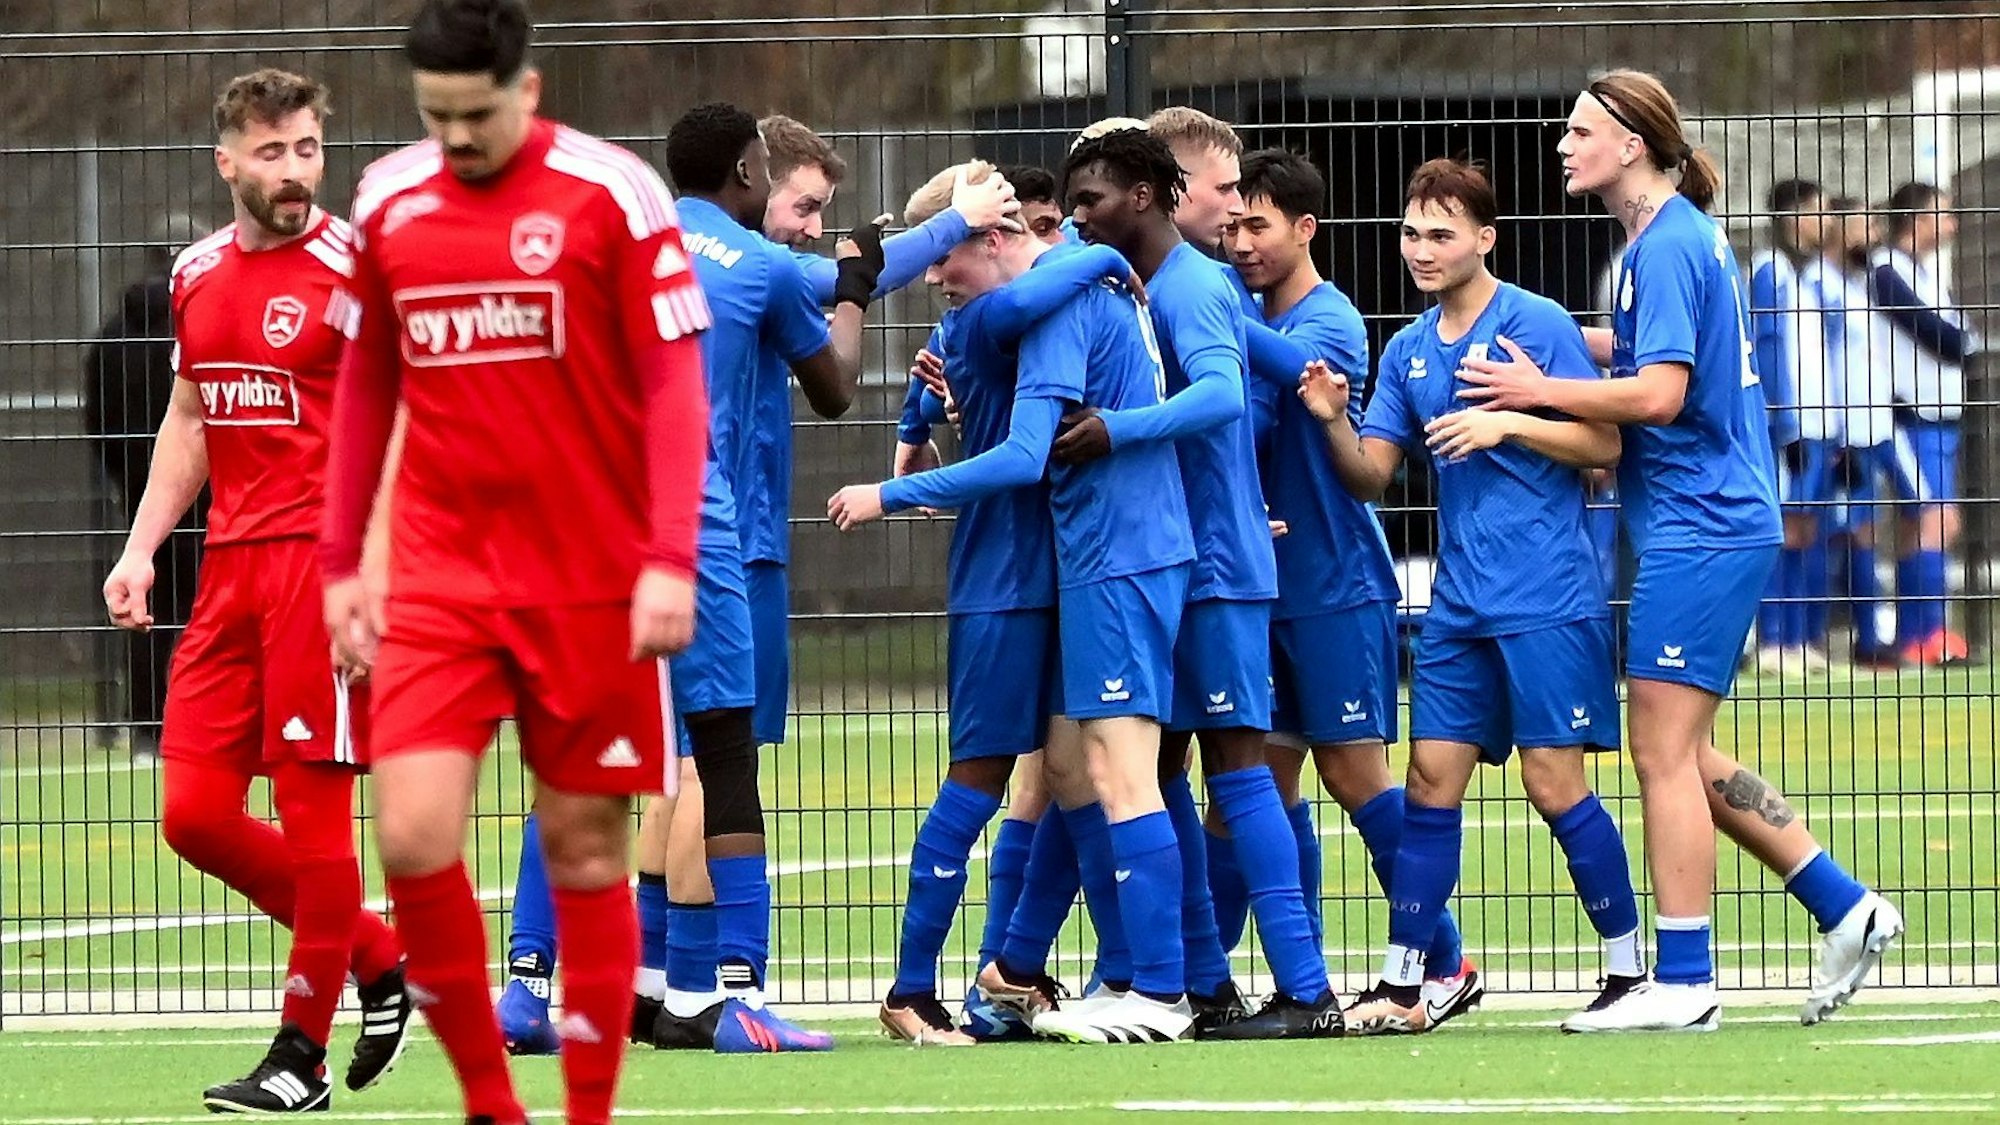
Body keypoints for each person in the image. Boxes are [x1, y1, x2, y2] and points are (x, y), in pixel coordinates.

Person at [319, 1, 710, 1121]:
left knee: (583, 848)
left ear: (525, 92)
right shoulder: (387, 200)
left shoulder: (611, 192)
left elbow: (672, 383)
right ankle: (492, 1105)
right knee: (410, 835)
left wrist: (668, 555)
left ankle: (585, 1112)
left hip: (590, 581)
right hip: (440, 577)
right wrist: (342, 562)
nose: (455, 138)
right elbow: (367, 386)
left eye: (475, 116)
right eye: (434, 116)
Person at [1459, 68, 1901, 1031]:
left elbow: (1659, 395)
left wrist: (1535, 390)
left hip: (1702, 525)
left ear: (1631, 146)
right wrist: (1561, 343)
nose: (1564, 145)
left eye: (1581, 131)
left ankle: (1687, 978)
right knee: (1686, 750)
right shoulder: (1673, 239)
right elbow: (1652, 359)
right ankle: (1845, 905)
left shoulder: (1662, 245)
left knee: (1660, 750)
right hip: (1705, 521)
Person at [100, 68, 412, 1113]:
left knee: (313, 819)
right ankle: (377, 957)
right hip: (231, 569)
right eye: (272, 152)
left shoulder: (356, 271)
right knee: (192, 814)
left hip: (321, 570)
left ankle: (300, 1057)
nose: (294, 171)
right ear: (227, 162)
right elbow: (192, 418)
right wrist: (141, 549)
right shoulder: (195, 274)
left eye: (307, 149)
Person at [1301, 156, 1645, 1035]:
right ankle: (1405, 984)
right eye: (1410, 233)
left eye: (1440, 234)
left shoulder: (1536, 322)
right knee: (1428, 781)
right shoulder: (1407, 350)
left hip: (1547, 594)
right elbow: (1371, 475)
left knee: (1552, 781)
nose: (1421, 249)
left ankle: (1628, 968)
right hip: (1458, 604)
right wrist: (1334, 419)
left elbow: (1605, 444)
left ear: (1484, 239)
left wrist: (1509, 421)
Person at [1037, 126, 1340, 1039]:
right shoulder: (1130, 286)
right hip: (1172, 561)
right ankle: (1198, 980)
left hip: (1215, 568)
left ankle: (1308, 992)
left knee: (1238, 767)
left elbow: (1219, 394)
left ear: (1142, 196)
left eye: (1090, 200)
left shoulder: (1194, 284)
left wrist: (1117, 429)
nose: (1078, 218)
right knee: (1157, 765)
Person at [827, 161, 1139, 1045]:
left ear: (992, 236)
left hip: (1062, 574)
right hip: (1000, 585)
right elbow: (1017, 444)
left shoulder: (1008, 309)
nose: (932, 275)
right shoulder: (987, 316)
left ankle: (1108, 975)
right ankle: (909, 989)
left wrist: (912, 429)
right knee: (980, 777)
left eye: (943, 255)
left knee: (1082, 775)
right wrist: (1107, 257)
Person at [1219, 149, 1482, 1030]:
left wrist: (1195, 304)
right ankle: (1277, 980)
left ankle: (1444, 960)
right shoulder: (1245, 310)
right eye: (1232, 226)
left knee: (1353, 774)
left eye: (1258, 225)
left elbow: (1274, 394)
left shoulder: (1328, 321)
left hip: (1334, 586)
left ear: (1306, 229)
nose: (1241, 243)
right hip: (1262, 590)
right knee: (1258, 782)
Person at [83, 211, 208, 761]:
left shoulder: (112, 336)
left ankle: (147, 732)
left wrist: (129, 479)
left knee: (147, 612)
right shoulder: (203, 322)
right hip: (215, 495)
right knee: (216, 609)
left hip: (141, 497)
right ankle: (220, 725)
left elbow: (98, 422)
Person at [1867, 181, 1976, 665]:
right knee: (1935, 520)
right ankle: (1925, 633)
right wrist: (1963, 343)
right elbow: (1940, 335)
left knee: (1930, 523)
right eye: (1943, 214)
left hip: (1941, 417)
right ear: (1917, 218)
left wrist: (1963, 340)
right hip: (1912, 416)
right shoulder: (1888, 270)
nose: (1951, 224)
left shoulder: (1923, 271)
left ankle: (1919, 634)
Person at [1750, 178, 1837, 674]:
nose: (1827, 222)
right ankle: (1773, 639)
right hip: (1793, 426)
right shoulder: (1770, 270)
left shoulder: (1810, 275)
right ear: (1793, 216)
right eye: (1818, 211)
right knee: (1782, 528)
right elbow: (1767, 346)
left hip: (1822, 424)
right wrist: (1783, 422)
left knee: (1807, 530)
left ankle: (1801, 636)